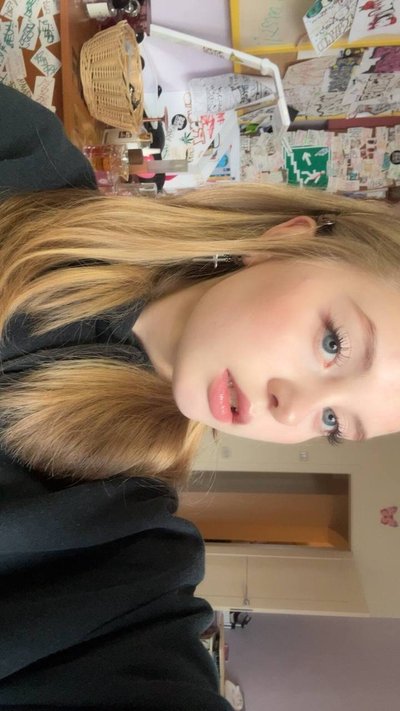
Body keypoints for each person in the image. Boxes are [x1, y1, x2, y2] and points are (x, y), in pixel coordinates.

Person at [0, 83, 399, 708]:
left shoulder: (111, 509)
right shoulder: (26, 155)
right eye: (334, 344)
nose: (292, 410)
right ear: (284, 241)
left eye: (332, 422)